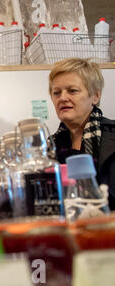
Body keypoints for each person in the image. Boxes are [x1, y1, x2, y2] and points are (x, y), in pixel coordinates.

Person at [49, 58, 115, 211]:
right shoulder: (49, 148)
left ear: (95, 96)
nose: (63, 98)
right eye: (56, 93)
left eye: (72, 90)